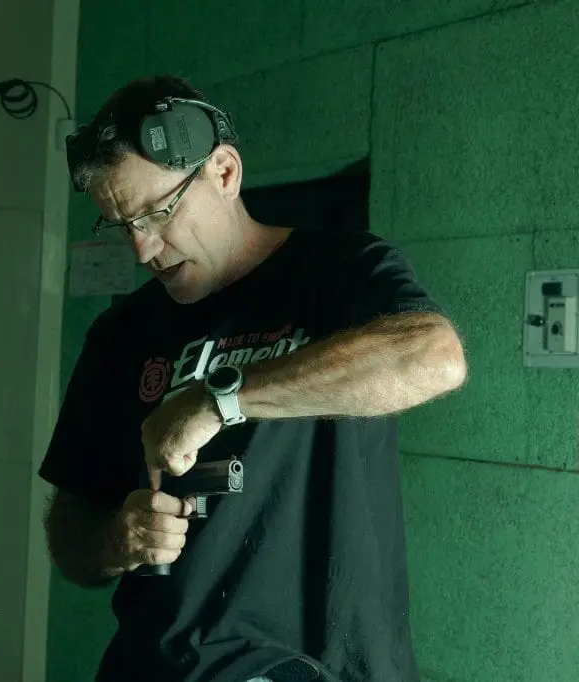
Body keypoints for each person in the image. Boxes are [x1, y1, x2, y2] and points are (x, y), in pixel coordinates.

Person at [40, 75, 468, 682]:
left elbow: (435, 357)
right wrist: (117, 538)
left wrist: (220, 399)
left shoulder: (341, 273)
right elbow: (69, 531)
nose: (142, 249)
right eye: (120, 224)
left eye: (158, 212)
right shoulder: (120, 335)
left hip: (325, 666)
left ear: (224, 172)